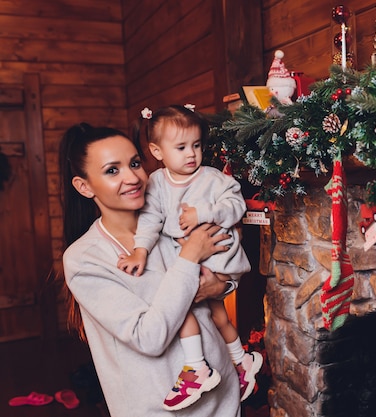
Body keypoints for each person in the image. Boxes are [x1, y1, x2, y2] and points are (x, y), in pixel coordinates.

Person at [59, 123, 241, 416]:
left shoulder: (172, 222)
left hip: (224, 400)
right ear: (84, 186)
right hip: (159, 410)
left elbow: (222, 273)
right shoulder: (84, 259)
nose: (133, 178)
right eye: (112, 170)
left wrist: (222, 286)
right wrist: (190, 255)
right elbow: (149, 337)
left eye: (134, 163)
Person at [116, 105, 263, 407]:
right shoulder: (156, 183)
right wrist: (141, 250)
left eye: (196, 145)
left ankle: (196, 366)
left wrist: (204, 213)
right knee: (217, 314)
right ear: (157, 151)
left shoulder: (212, 178)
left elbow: (236, 206)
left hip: (219, 254)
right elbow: (150, 219)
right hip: (193, 257)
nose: (191, 154)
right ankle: (241, 360)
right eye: (181, 147)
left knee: (183, 308)